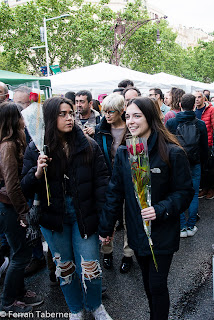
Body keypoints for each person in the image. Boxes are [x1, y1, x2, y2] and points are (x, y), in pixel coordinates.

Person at [99, 97, 194, 320]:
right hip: (136, 231)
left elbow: (184, 192)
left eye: (137, 116)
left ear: (150, 117)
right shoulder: (124, 153)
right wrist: (106, 228)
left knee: (158, 285)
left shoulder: (172, 152)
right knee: (148, 284)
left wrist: (160, 209)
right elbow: (114, 193)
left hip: (162, 233)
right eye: (128, 116)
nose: (131, 121)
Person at [21, 96, 112, 320]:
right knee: (65, 267)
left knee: (90, 266)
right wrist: (37, 173)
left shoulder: (87, 144)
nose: (69, 118)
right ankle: (75, 309)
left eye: (71, 113)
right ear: (51, 117)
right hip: (54, 218)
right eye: (63, 114)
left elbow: (102, 183)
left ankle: (95, 306)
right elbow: (24, 186)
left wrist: (107, 222)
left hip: (84, 213)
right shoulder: (36, 147)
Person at [0, 102, 43, 314]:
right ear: (13, 119)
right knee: (20, 255)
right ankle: (8, 301)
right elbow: (11, 183)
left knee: (21, 251)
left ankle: (19, 291)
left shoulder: (14, 141)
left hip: (13, 205)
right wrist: (23, 212)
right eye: (20, 115)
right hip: (10, 207)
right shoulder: (7, 145)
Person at [95, 93, 134, 274]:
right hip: (107, 181)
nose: (107, 115)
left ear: (121, 111)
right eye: (104, 112)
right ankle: (107, 252)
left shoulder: (131, 128)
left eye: (111, 112)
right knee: (107, 218)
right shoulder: (101, 129)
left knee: (129, 219)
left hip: (129, 180)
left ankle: (128, 254)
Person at [166, 94, 208, 237]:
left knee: (177, 193)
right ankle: (191, 226)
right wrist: (201, 162)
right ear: (194, 106)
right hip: (195, 163)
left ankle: (182, 227)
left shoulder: (171, 123)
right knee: (194, 194)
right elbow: (204, 147)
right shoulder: (200, 123)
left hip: (177, 163)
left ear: (180, 105)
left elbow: (167, 144)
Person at [194, 91, 214, 199]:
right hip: (197, 144)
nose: (197, 99)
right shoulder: (193, 110)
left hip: (208, 143)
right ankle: (204, 188)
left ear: (203, 99)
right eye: (195, 97)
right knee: (202, 168)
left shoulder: (210, 109)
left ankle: (211, 189)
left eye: (199, 97)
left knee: (210, 168)